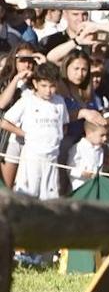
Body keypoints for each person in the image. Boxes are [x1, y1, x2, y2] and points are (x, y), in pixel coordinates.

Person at [1, 62, 69, 199]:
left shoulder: (59, 102)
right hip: (32, 156)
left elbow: (64, 124)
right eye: (44, 86)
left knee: (50, 197)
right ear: (35, 83)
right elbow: (5, 123)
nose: (48, 90)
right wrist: (26, 134)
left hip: (52, 157)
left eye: (52, 86)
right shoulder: (27, 100)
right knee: (27, 195)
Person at [0, 44, 42, 188]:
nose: (27, 64)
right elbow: (2, 103)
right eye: (22, 60)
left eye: (31, 60)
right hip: (9, 139)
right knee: (7, 186)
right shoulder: (6, 81)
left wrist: (44, 65)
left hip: (33, 142)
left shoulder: (38, 83)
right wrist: (17, 78)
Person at [68, 118, 109, 191]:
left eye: (106, 135)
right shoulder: (78, 148)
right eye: (102, 135)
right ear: (89, 133)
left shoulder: (100, 150)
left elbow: (100, 168)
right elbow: (69, 169)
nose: (105, 138)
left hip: (94, 187)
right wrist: (82, 173)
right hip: (79, 188)